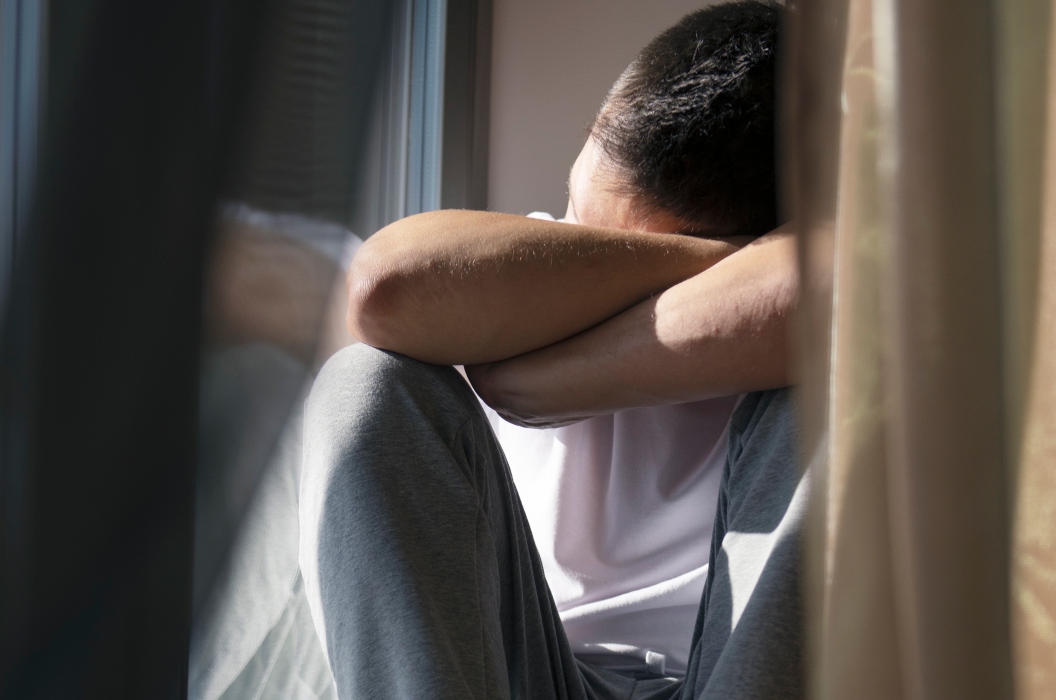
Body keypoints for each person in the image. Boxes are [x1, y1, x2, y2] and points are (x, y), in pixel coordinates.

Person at [299, 2, 804, 697]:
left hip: (733, 671)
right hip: (527, 673)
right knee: (365, 381)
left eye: (631, 249)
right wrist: (720, 263)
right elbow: (382, 289)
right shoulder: (530, 274)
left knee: (835, 394)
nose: (570, 242)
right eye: (582, 228)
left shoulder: (830, 287)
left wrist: (543, 381)